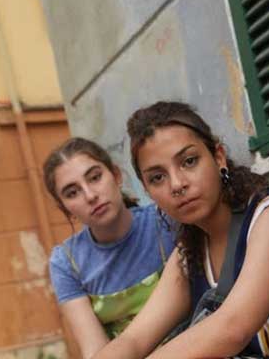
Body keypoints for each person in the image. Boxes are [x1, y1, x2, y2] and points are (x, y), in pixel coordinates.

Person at [93, 101, 269, 358]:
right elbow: (133, 339)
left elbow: (232, 328)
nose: (177, 184)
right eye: (157, 177)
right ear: (147, 191)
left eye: (189, 161)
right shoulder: (191, 254)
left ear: (218, 157)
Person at [43, 137, 176, 358]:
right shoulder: (66, 262)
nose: (90, 195)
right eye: (72, 192)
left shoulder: (165, 221)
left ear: (116, 175)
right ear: (64, 208)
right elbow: (94, 348)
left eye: (95, 178)